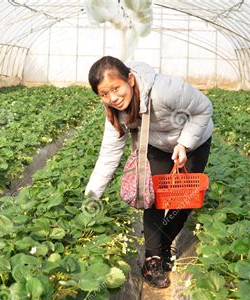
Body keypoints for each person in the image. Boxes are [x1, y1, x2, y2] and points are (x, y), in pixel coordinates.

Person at [85, 56, 213, 288]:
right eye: (104, 94)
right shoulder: (116, 114)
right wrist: (92, 196)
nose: (112, 97)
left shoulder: (164, 91)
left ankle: (165, 245)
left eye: (116, 88)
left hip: (192, 141)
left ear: (130, 80)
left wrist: (184, 143)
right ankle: (153, 258)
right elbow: (108, 156)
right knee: (151, 196)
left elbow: (203, 108)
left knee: (184, 198)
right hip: (155, 144)